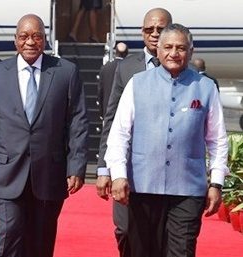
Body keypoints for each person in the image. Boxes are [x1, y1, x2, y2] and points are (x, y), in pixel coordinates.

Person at [0, 13, 88, 257]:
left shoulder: (66, 72)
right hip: (4, 174)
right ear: (15, 41)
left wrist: (76, 166)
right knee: (9, 232)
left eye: (36, 36)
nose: (31, 42)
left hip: (48, 175)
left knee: (40, 244)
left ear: (45, 39)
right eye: (24, 36)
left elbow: (78, 121)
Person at [105, 23, 229, 257]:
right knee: (141, 251)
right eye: (168, 47)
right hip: (142, 186)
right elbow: (119, 134)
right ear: (158, 50)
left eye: (181, 48)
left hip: (187, 190)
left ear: (191, 51)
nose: (174, 53)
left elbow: (217, 139)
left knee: (181, 251)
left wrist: (216, 183)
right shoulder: (137, 83)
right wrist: (118, 175)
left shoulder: (206, 87)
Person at [95, 8, 172, 257]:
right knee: (125, 230)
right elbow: (111, 120)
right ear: (142, 32)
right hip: (129, 168)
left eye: (160, 29)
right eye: (149, 29)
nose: (154, 34)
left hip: (168, 169)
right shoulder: (126, 68)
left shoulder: (183, 67)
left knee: (163, 236)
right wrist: (104, 168)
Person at [98, 42, 128, 117]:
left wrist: (101, 111)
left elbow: (100, 90)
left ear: (115, 52)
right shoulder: (128, 67)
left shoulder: (105, 67)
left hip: (107, 109)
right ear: (127, 53)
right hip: (123, 111)